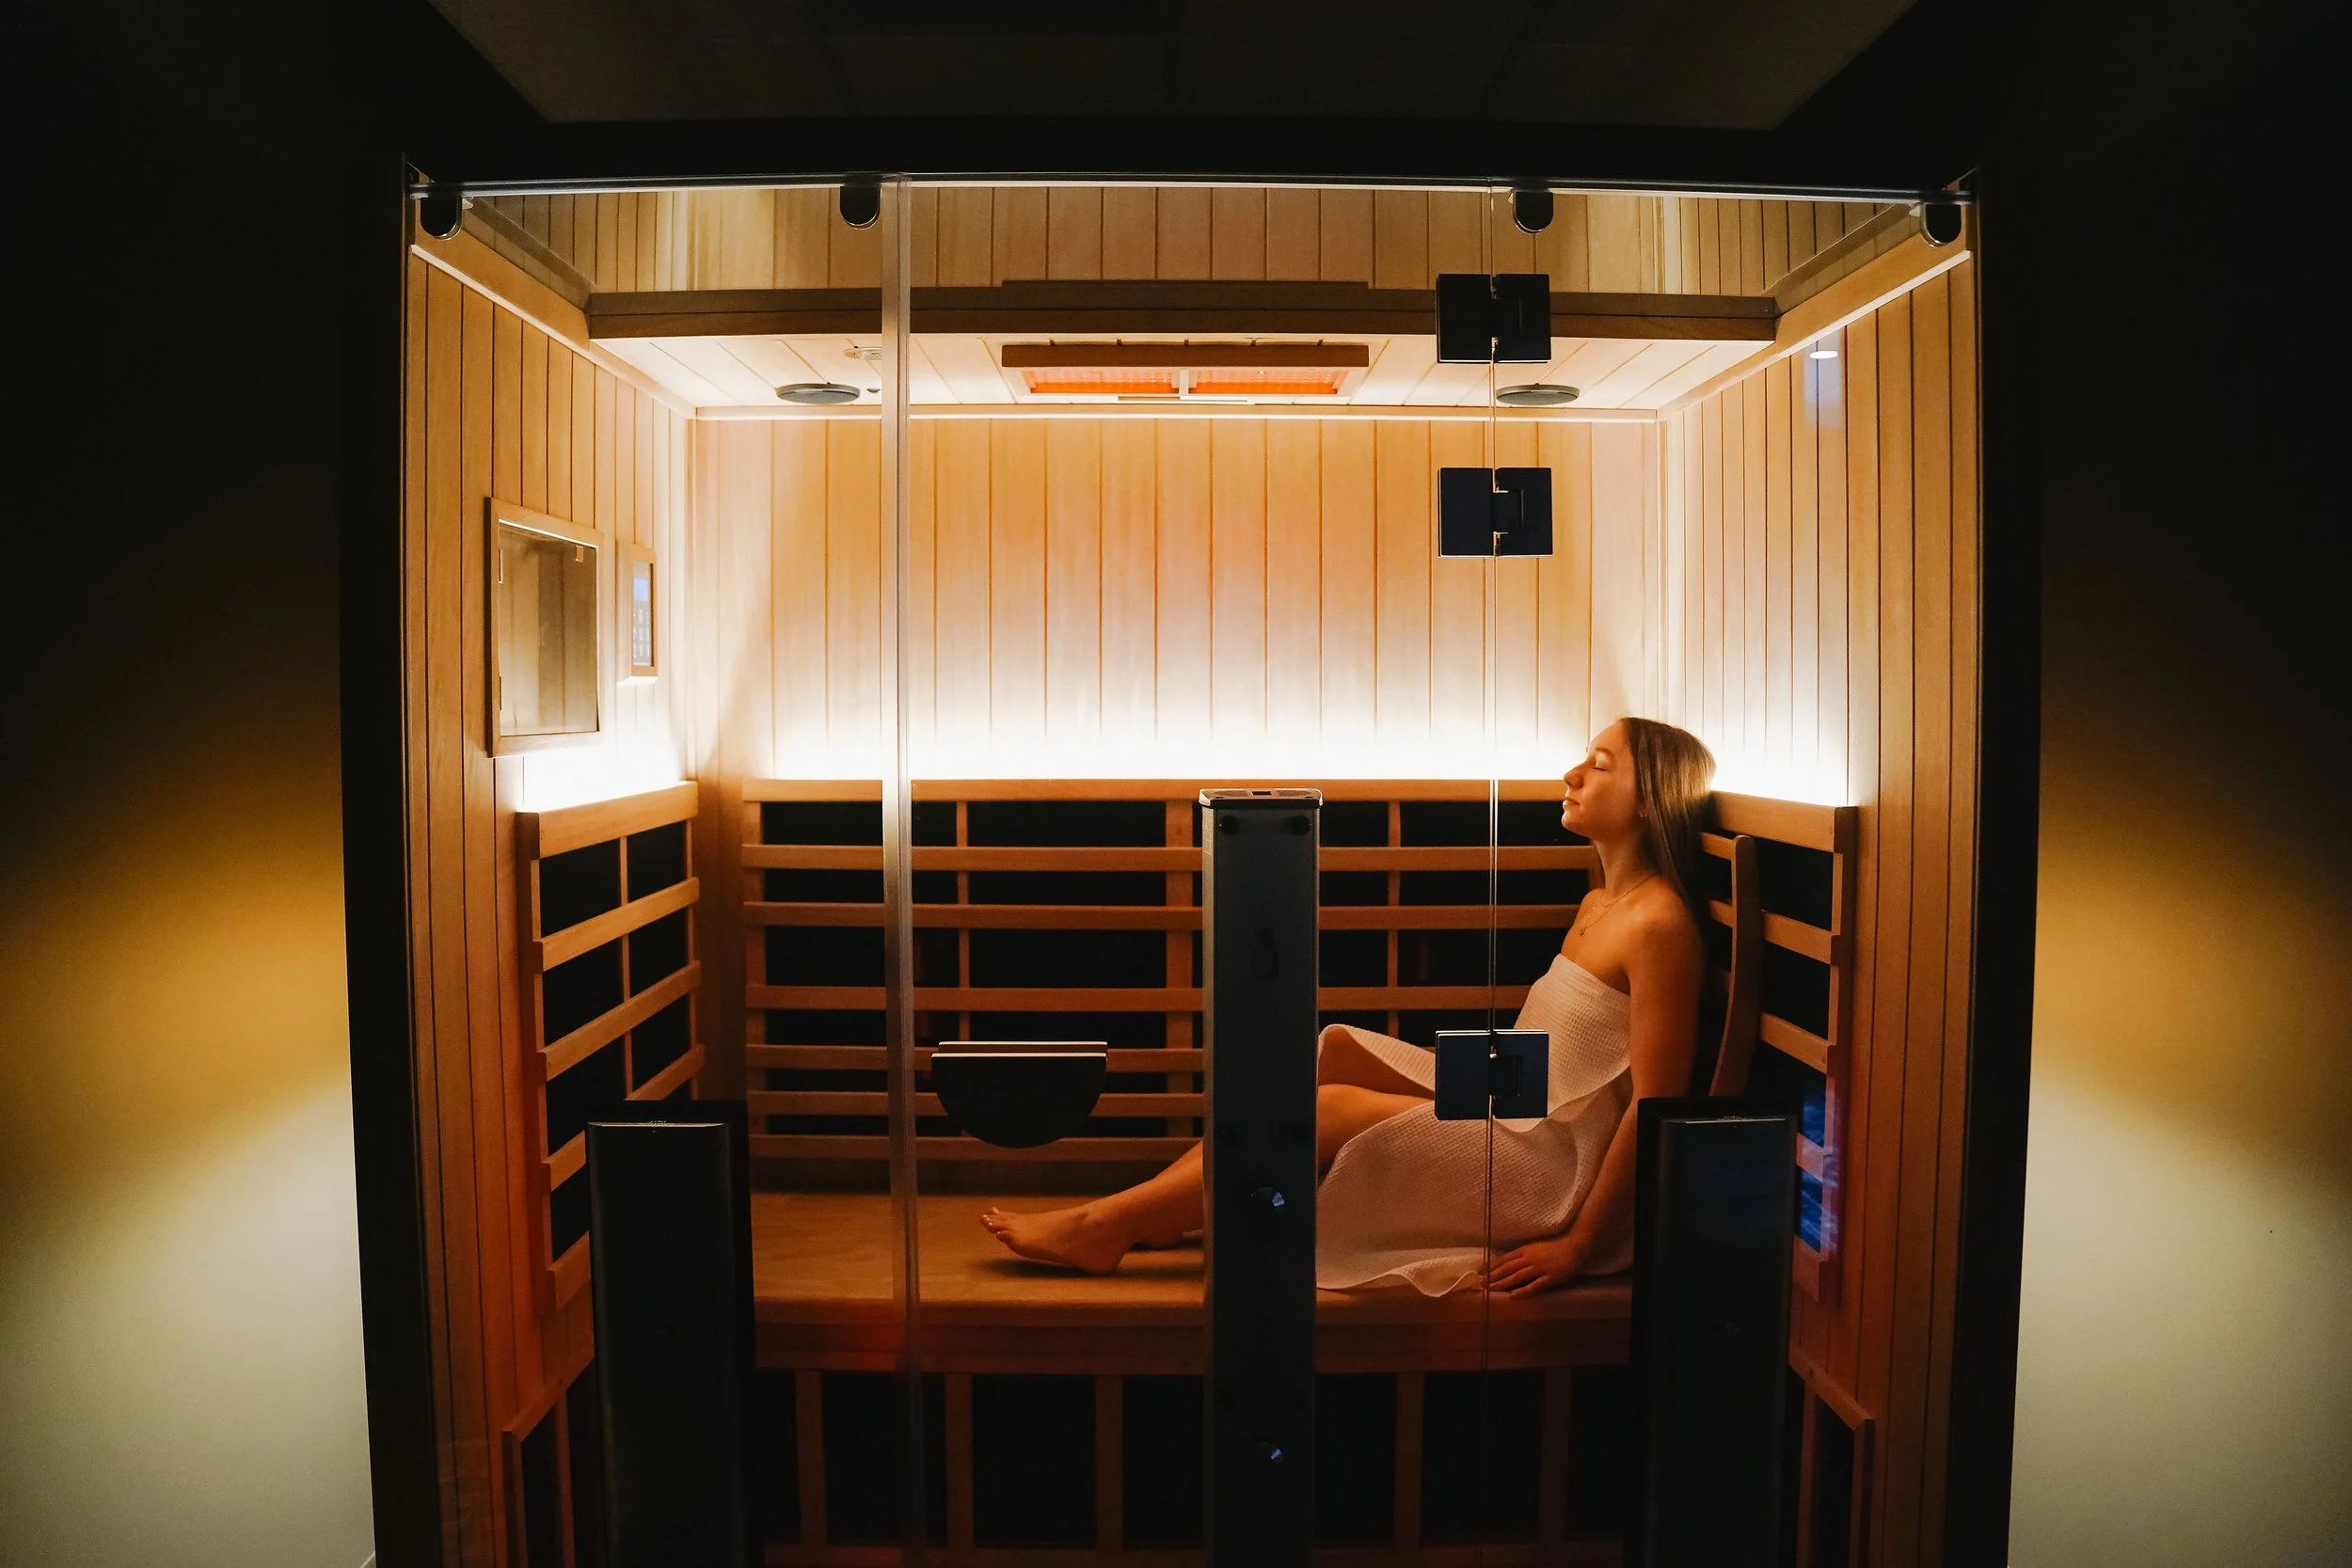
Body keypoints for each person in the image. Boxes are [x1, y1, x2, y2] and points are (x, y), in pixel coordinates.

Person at [981, 718, 1712, 1297]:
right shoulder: (1597, 903)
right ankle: (1168, 1206)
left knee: (1327, 1109)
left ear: (1650, 797)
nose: (1572, 774)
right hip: (1513, 1101)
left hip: (1556, 1163)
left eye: (1600, 764)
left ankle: (1105, 1225)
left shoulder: (1659, 926)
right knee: (1332, 1048)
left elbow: (1655, 1101)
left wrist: (1581, 1244)